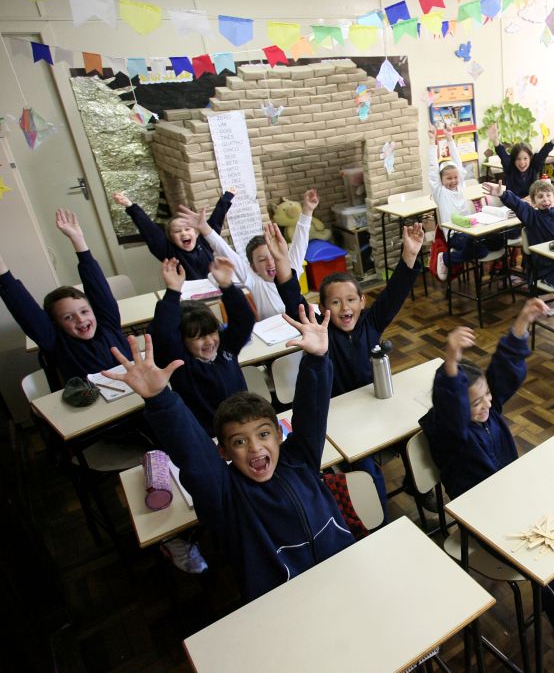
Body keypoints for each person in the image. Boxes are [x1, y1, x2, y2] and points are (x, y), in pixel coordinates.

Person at [103, 306, 356, 602]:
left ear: (278, 434)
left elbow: (312, 411)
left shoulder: (299, 458)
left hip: (344, 573)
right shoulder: (225, 493)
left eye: (263, 435)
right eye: (239, 442)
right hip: (287, 603)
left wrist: (316, 360)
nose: (255, 447)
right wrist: (161, 400)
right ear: (222, 451)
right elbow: (193, 454)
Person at [419, 299, 554, 672]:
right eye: (474, 403)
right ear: (455, 407)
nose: (486, 406)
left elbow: (502, 372)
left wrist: (521, 322)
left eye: (487, 397)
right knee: (550, 564)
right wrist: (450, 361)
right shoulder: (450, 436)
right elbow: (453, 408)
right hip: (486, 521)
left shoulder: (489, 409)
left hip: (518, 504)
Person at [281, 222, 425, 513]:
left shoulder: (371, 322)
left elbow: (395, 292)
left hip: (376, 405)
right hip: (341, 418)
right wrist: (283, 265)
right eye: (335, 302)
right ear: (323, 309)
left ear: (362, 302)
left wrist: (409, 255)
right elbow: (293, 299)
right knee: (366, 469)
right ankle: (379, 517)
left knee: (417, 437)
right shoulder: (323, 333)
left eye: (350, 300)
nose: (344, 308)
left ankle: (418, 486)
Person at [0, 209, 131, 381]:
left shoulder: (108, 324)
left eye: (84, 311)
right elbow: (23, 308)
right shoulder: (56, 342)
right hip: (99, 406)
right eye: (68, 317)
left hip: (141, 396)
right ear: (55, 323)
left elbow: (99, 290)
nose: (80, 319)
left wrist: (78, 240)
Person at [147, 252, 255, 436]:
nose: (209, 341)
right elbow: (163, 334)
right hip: (209, 434)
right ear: (182, 340)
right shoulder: (180, 362)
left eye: (212, 332)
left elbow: (244, 319)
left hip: (245, 423)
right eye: (198, 337)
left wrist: (227, 286)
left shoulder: (226, 349)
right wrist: (173, 291)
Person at [483, 175, 554, 342]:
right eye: (540, 196)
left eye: (548, 196)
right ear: (533, 202)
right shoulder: (532, 217)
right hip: (549, 270)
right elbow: (517, 204)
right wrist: (502, 194)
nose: (545, 199)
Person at [180, 189, 318, 320]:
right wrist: (204, 228)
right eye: (262, 260)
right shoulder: (254, 282)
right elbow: (226, 251)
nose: (270, 263)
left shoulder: (290, 269)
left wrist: (307, 210)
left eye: (273, 257)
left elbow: (300, 241)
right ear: (253, 267)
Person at [113, 190, 233, 280]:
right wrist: (130, 205)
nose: (183, 233)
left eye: (187, 229)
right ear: (171, 238)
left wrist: (226, 198)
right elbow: (149, 229)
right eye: (177, 231)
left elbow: (215, 222)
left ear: (196, 232)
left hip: (215, 290)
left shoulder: (205, 243)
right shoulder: (168, 252)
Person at [429, 124, 498, 280]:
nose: (453, 181)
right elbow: (433, 168)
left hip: (471, 229)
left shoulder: (461, 186)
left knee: (496, 241)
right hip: (454, 234)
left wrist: (449, 137)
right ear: (441, 180)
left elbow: (457, 162)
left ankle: (491, 267)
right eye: (448, 178)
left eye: (455, 177)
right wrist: (432, 141)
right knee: (481, 251)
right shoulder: (440, 192)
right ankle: (446, 258)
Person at [489, 122, 554, 199]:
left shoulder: (533, 167)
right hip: (513, 205)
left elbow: (543, 153)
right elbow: (503, 155)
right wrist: (495, 141)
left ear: (530, 158)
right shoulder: (510, 168)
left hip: (531, 204)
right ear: (513, 160)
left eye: (525, 158)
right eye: (518, 159)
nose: (522, 162)